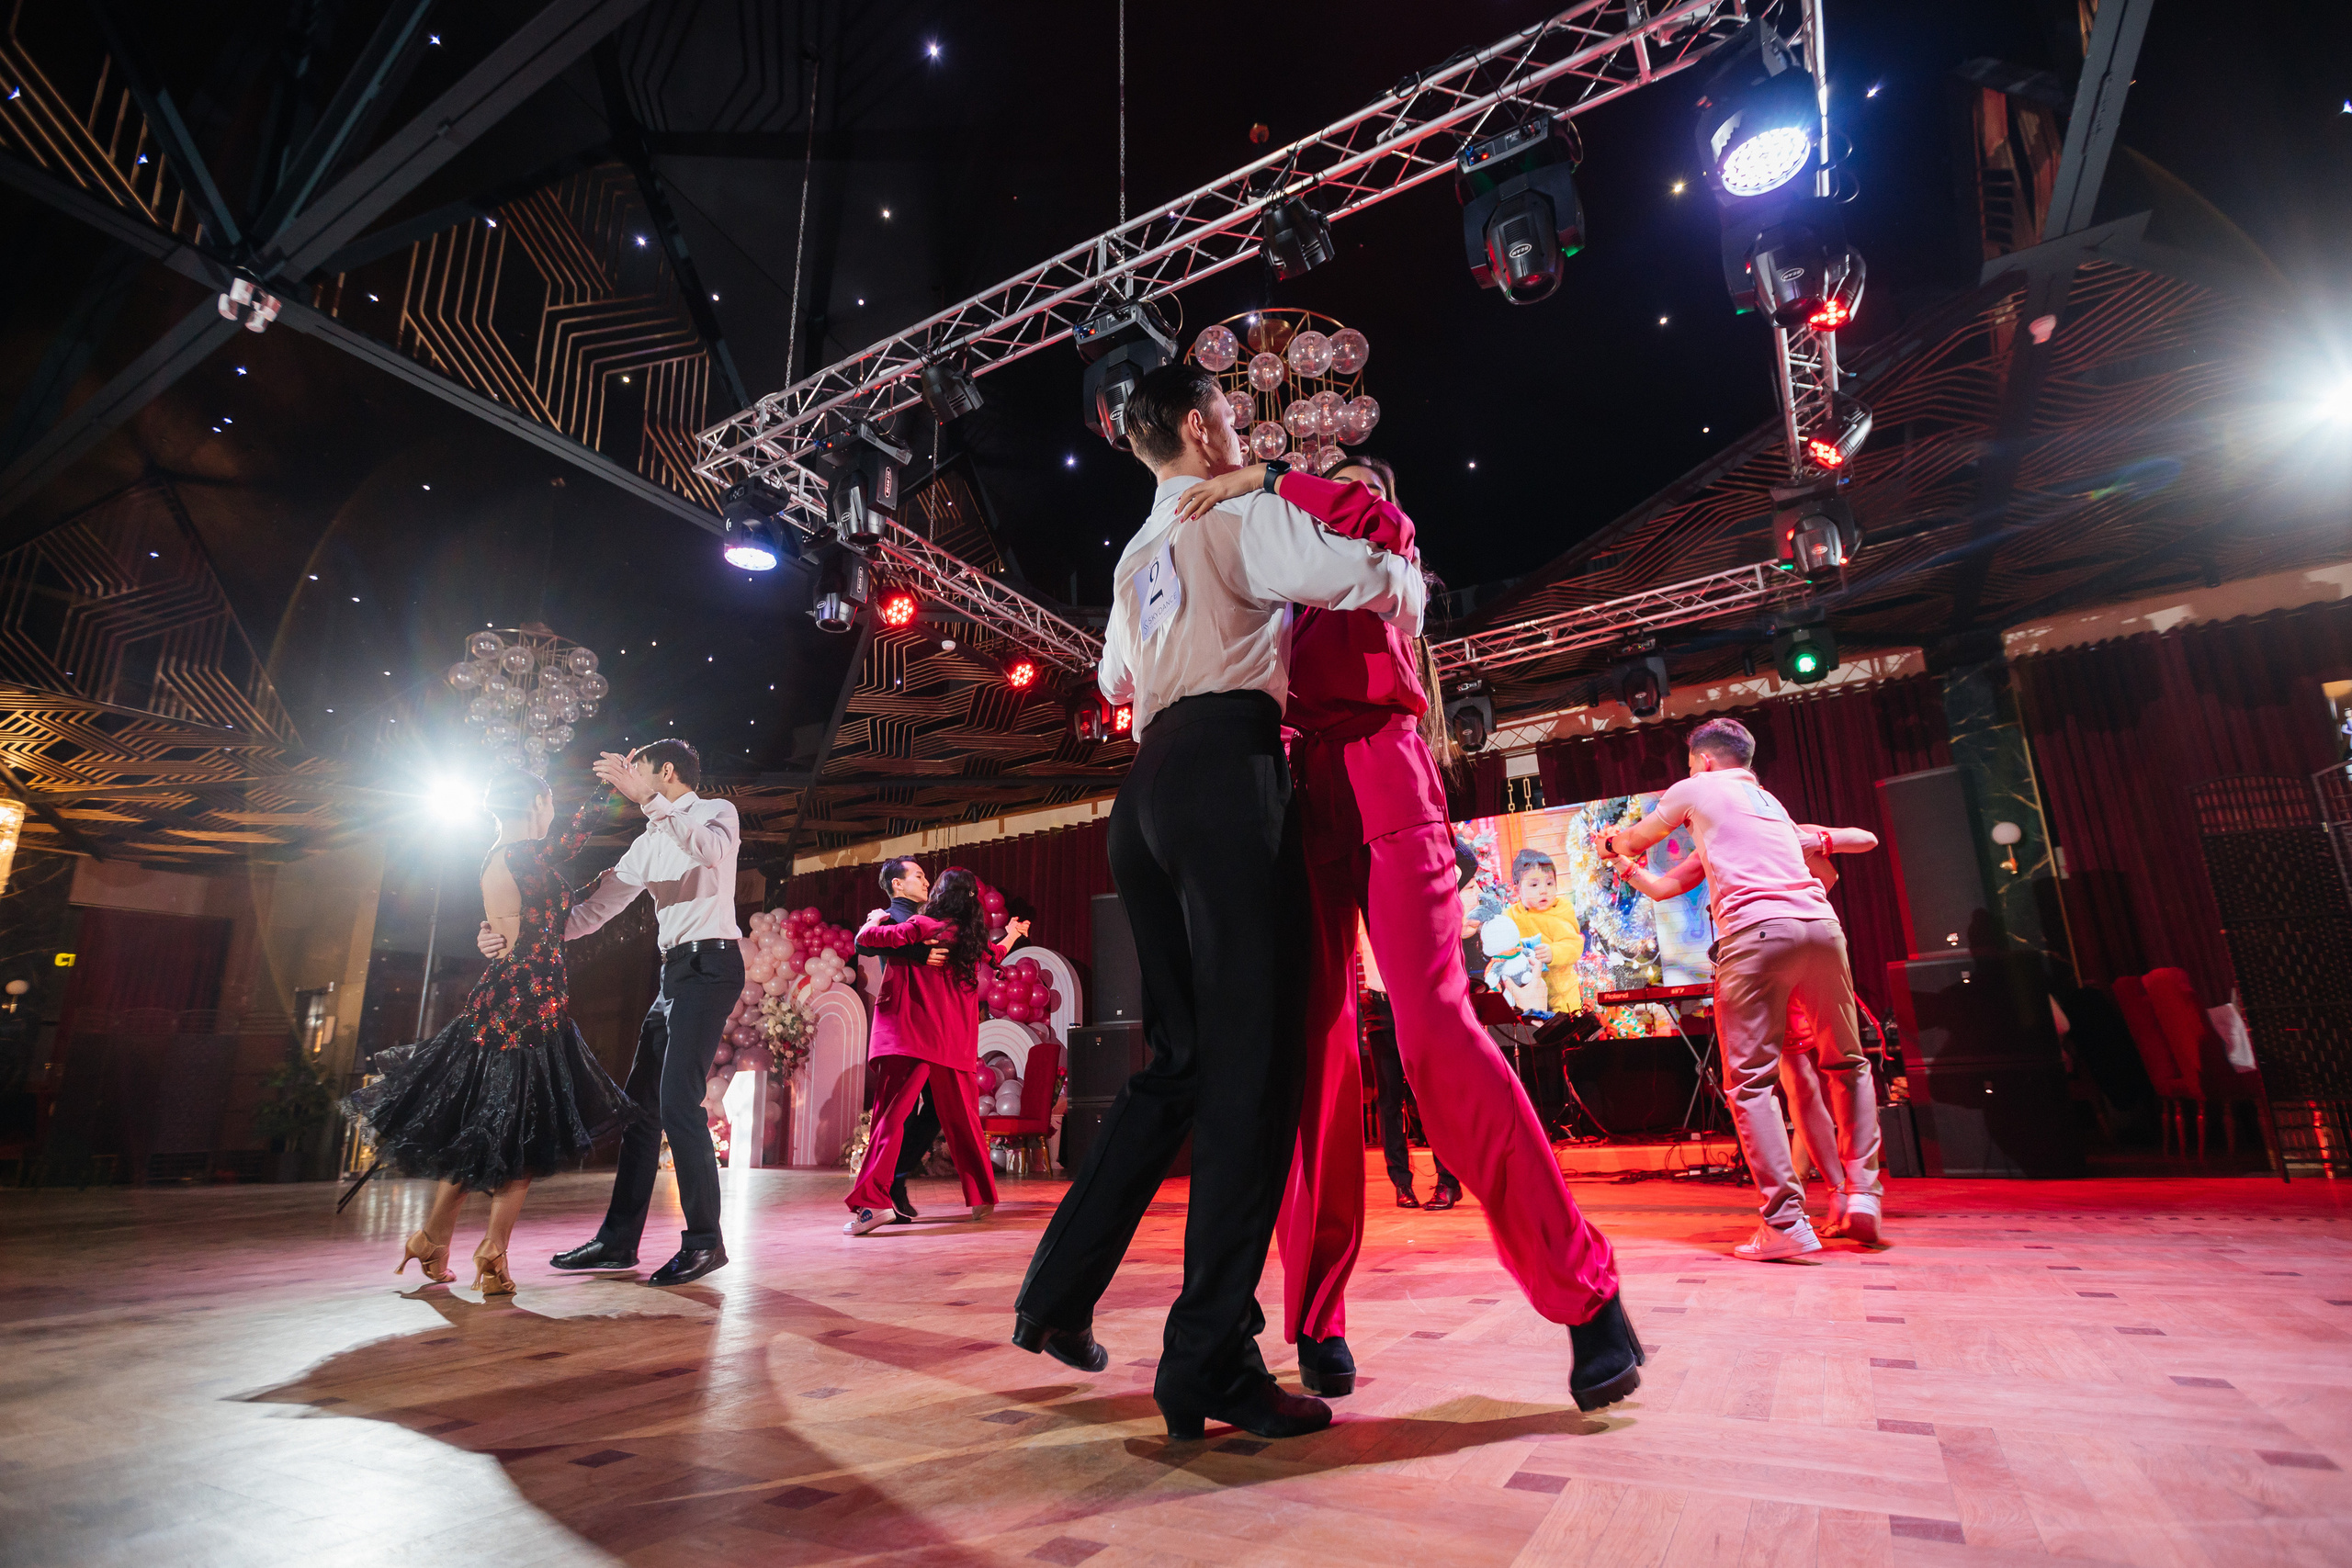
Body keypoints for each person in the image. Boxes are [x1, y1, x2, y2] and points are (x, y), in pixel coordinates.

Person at [1168, 451, 1642, 1416]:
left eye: (1355, 481)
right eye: (1330, 482)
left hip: (1387, 774)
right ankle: (1316, 1316)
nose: (1340, 494)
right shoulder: (1289, 584)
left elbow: (1378, 520)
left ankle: (1588, 1296)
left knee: (1436, 1037)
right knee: (1315, 1062)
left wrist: (1269, 475)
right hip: (1297, 799)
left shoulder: (1385, 554)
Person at [1010, 363, 1424, 1443]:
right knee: (1251, 1072)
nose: (1245, 435)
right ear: (1201, 425)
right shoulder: (1237, 511)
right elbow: (1375, 581)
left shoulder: (1136, 549)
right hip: (1227, 776)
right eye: (1235, 420)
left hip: (1144, 792)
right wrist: (1292, 504)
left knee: (1180, 1064)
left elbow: (1113, 682)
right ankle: (1209, 1362)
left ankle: (1056, 1291)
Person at [346, 770, 639, 1295]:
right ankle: (492, 1250)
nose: (554, 813)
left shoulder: (500, 857)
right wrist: (611, 786)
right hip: (528, 1012)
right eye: (551, 802)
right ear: (538, 802)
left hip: (505, 1005)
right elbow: (574, 837)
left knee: (486, 1131)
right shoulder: (525, 854)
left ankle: (432, 1239)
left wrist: (604, 884)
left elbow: (548, 917)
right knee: (524, 1134)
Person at [1602, 717, 1882, 1258]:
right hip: (1821, 932)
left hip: (1756, 937)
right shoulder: (1770, 807)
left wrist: (1613, 844)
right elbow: (1665, 885)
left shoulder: (1698, 788)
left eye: (1691, 766)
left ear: (1704, 762)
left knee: (1751, 1085)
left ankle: (1785, 1223)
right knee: (1847, 1064)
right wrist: (1625, 866)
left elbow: (1636, 838)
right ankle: (1862, 1194)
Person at [477, 740, 743, 1286]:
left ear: (664, 772)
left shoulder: (715, 813)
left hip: (711, 967)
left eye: (633, 770)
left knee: (677, 1102)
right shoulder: (647, 842)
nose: (623, 780)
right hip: (674, 974)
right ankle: (619, 1242)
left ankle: (704, 1242)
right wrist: (505, 932)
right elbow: (585, 915)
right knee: (640, 1111)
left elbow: (710, 854)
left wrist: (650, 801)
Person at [842, 867, 1029, 1234]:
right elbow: (995, 954)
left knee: (888, 1120)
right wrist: (1012, 934)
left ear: (942, 894)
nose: (926, 884)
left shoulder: (925, 925)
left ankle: (873, 1204)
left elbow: (867, 939)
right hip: (954, 1040)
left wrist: (873, 918)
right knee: (963, 1121)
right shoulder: (972, 937)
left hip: (912, 1036)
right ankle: (982, 1197)